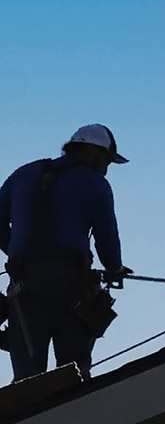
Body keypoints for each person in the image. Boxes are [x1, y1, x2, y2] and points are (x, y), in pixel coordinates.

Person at [0, 124, 133, 381]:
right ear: (93, 152)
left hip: (23, 284)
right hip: (71, 285)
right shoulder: (96, 184)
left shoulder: (24, 174)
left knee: (27, 377)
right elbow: (107, 240)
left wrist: (20, 254)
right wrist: (115, 268)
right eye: (106, 160)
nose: (106, 168)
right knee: (74, 372)